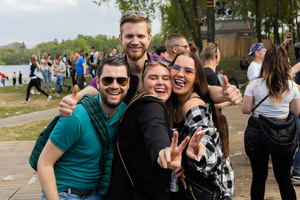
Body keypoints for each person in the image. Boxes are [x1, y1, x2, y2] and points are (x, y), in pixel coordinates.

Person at [58, 11, 242, 117]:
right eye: (129, 36)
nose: (135, 41)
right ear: (121, 38)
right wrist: (73, 99)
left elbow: (201, 88)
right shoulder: (115, 70)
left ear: (149, 38)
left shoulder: (164, 67)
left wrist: (225, 92)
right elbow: (94, 88)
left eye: (140, 36)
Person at [37, 57, 129, 200]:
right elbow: (44, 163)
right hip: (66, 194)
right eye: (107, 80)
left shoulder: (124, 113)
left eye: (121, 80)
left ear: (128, 83)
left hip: (97, 193)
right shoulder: (77, 117)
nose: (115, 86)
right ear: (98, 82)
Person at [106, 59, 191, 200]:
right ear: (142, 83)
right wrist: (163, 152)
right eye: (153, 78)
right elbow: (154, 129)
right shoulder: (151, 104)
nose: (160, 82)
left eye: (166, 78)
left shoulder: (143, 105)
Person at [170, 52, 234, 200]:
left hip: (212, 191)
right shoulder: (173, 103)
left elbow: (206, 140)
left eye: (188, 71)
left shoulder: (194, 106)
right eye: (176, 68)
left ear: (197, 78)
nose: (180, 74)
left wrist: (201, 152)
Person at [241, 45, 300, 200]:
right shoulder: (291, 85)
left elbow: (245, 109)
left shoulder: (254, 84)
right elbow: (296, 112)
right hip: (283, 134)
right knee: (284, 179)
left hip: (258, 132)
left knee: (259, 178)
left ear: (265, 62)